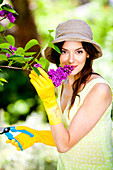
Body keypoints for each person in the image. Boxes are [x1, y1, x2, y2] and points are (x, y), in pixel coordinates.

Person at [6, 19, 113, 170]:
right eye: (64, 51)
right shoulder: (63, 85)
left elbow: (64, 145)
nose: (70, 59)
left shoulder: (99, 90)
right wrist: (37, 135)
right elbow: (66, 135)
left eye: (78, 51)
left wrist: (50, 101)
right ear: (58, 55)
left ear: (88, 53)